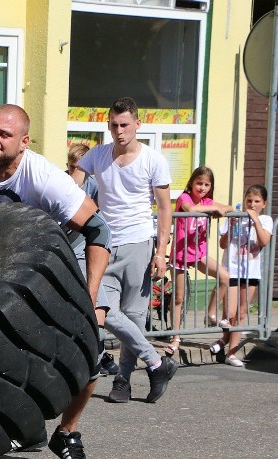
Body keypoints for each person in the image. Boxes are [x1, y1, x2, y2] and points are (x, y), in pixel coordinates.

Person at [0, 104, 111, 459]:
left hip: (62, 262)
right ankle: (15, 423)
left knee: (90, 357)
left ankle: (67, 432)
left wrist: (88, 297)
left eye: (3, 134)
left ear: (23, 142)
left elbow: (98, 229)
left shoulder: (42, 178)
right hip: (4, 268)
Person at [70, 97, 178, 405]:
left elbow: (165, 208)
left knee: (133, 315)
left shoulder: (152, 160)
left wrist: (161, 252)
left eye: (125, 125)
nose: (119, 131)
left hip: (139, 243)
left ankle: (123, 381)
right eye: (114, 125)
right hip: (103, 244)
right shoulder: (97, 155)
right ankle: (158, 363)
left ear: (137, 125)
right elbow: (72, 187)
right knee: (104, 311)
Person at [166, 166, 231, 355]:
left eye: (206, 185)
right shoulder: (184, 198)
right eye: (199, 183)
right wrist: (213, 208)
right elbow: (191, 209)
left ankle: (211, 315)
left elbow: (227, 207)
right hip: (180, 253)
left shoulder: (207, 200)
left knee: (224, 277)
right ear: (191, 183)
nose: (202, 188)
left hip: (199, 253)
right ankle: (175, 337)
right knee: (179, 297)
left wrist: (219, 208)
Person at [67, 143, 118, 377]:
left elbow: (98, 219)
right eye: (71, 166)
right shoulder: (61, 183)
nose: (75, 171)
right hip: (65, 246)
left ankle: (100, 353)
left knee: (99, 305)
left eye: (80, 168)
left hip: (85, 246)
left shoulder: (93, 185)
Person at [211, 184, 273, 367]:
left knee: (241, 313)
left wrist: (255, 221)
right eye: (249, 201)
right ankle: (223, 341)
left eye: (256, 201)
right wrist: (231, 225)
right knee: (229, 314)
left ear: (264, 203)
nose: (252, 205)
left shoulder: (265, 219)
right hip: (232, 269)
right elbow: (223, 244)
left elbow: (264, 241)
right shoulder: (235, 217)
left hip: (250, 271)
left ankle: (230, 352)